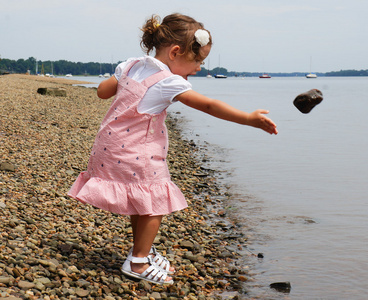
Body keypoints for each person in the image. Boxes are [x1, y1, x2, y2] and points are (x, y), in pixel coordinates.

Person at [68, 13, 278, 285]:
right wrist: (248, 119)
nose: (200, 68)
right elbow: (208, 105)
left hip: (108, 147)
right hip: (136, 152)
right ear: (175, 52)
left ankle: (140, 249)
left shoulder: (131, 65)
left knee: (141, 202)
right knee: (155, 204)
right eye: (198, 60)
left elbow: (102, 92)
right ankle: (138, 262)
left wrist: (119, 80)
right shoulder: (167, 81)